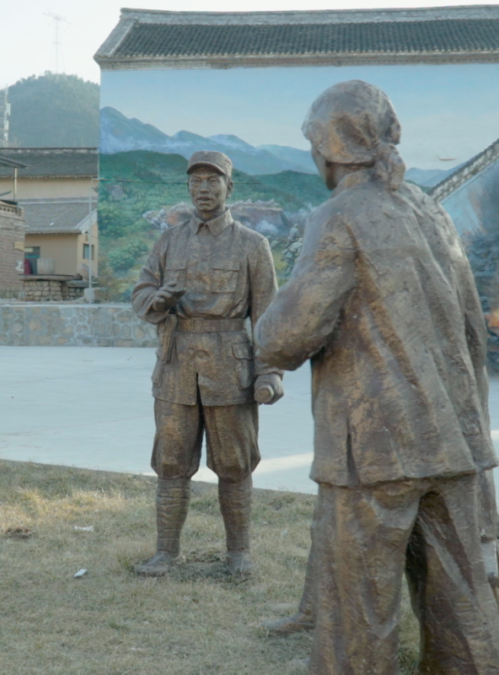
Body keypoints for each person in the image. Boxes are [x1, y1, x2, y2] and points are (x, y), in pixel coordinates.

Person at [254, 81, 499, 674]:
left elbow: (286, 336)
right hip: (453, 443)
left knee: (358, 607)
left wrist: (262, 325)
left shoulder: (339, 216)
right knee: (462, 601)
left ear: (331, 147)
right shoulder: (430, 210)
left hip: (374, 451)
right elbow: (474, 331)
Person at [132, 150, 284, 577]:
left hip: (230, 369)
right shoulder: (169, 241)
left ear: (228, 188)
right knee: (171, 463)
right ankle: (165, 553)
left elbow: (268, 317)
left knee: (235, 465)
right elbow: (141, 292)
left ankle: (238, 554)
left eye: (212, 181)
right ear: (188, 189)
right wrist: (156, 300)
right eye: (196, 182)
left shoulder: (253, 245)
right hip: (176, 366)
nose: (203, 189)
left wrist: (270, 372)